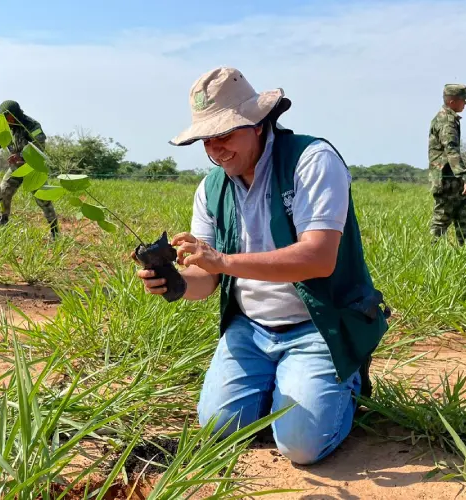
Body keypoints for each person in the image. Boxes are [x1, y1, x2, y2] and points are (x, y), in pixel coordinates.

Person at [134, 67, 389, 465]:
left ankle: (347, 382)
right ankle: (286, 384)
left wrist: (223, 260)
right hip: (250, 328)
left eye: (225, 135)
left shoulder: (310, 161)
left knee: (301, 446)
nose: (216, 150)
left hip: (318, 325)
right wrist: (178, 283)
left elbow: (319, 259)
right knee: (220, 429)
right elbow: (208, 278)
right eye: (206, 140)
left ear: (257, 123)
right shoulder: (211, 189)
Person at [0, 100, 60, 238]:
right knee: (3, 191)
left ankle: (54, 230)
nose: (7, 120)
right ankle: (3, 223)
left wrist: (21, 156)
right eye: (5, 117)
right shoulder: (6, 128)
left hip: (33, 167)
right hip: (16, 168)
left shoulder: (31, 125)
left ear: (16, 114)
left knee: (43, 198)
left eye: (9, 116)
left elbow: (39, 147)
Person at [428, 84, 466, 245]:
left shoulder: (449, 118)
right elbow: (451, 151)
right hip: (446, 179)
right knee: (441, 219)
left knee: (464, 218)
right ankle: (429, 254)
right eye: (463, 100)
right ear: (452, 102)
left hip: (453, 179)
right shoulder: (447, 122)